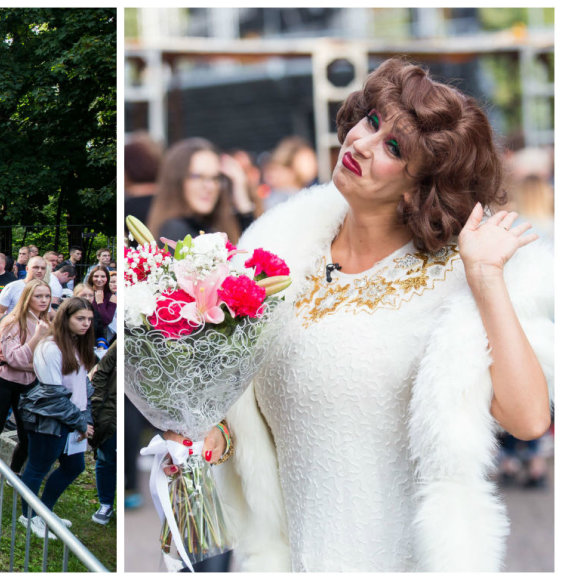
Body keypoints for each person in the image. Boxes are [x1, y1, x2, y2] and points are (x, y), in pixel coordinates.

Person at [201, 58, 553, 572]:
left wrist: (486, 279)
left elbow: (528, 419)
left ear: (420, 184)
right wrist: (205, 431)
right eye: (371, 121)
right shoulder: (278, 256)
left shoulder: (455, 276)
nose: (361, 144)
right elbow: (265, 409)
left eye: (393, 148)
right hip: (289, 557)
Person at [16, 297, 95, 539]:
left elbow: (84, 387)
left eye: (89, 320)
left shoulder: (77, 344)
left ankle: (45, 511)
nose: (86, 324)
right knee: (38, 467)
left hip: (72, 418)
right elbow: (52, 394)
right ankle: (28, 516)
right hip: (50, 419)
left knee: (74, 466)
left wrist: (85, 418)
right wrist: (80, 422)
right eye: (80, 319)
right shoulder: (50, 347)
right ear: (65, 318)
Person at [0, 279, 52, 474]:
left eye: (47, 296)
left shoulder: (46, 322)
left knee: (27, 434)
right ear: (27, 298)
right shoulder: (12, 322)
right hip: (4, 382)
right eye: (38, 296)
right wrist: (36, 338)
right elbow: (15, 359)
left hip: (29, 384)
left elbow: (48, 358)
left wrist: (35, 366)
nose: (43, 300)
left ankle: (14, 473)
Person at [146, 137, 242, 244]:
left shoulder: (209, 226)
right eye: (197, 177)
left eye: (215, 178)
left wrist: (242, 197)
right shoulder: (175, 231)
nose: (209, 186)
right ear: (176, 181)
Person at [89, 343, 116, 526]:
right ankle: (106, 503)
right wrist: (97, 403)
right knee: (106, 457)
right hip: (111, 410)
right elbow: (101, 371)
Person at [0, 256, 49, 323]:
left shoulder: (46, 290)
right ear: (27, 269)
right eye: (36, 267)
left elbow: (46, 316)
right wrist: (18, 321)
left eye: (43, 268)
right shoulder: (13, 287)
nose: (39, 271)